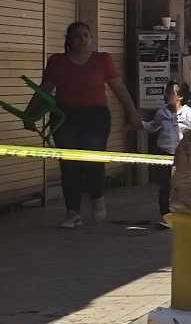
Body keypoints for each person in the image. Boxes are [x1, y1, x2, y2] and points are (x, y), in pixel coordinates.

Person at [42, 20, 144, 228]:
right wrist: (29, 115)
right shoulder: (56, 62)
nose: (82, 40)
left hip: (95, 117)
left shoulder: (102, 60)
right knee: (68, 164)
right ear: (69, 40)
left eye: (86, 35)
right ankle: (73, 212)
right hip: (65, 117)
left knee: (92, 161)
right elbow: (44, 91)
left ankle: (97, 195)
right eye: (77, 36)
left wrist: (132, 113)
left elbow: (119, 89)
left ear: (91, 39)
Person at [144, 79, 191, 224]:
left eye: (171, 93)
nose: (167, 95)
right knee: (164, 186)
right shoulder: (161, 113)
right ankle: (165, 216)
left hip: (181, 157)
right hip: (164, 155)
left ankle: (182, 214)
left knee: (180, 185)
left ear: (180, 97)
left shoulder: (189, 114)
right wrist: (138, 124)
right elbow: (152, 127)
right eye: (166, 92)